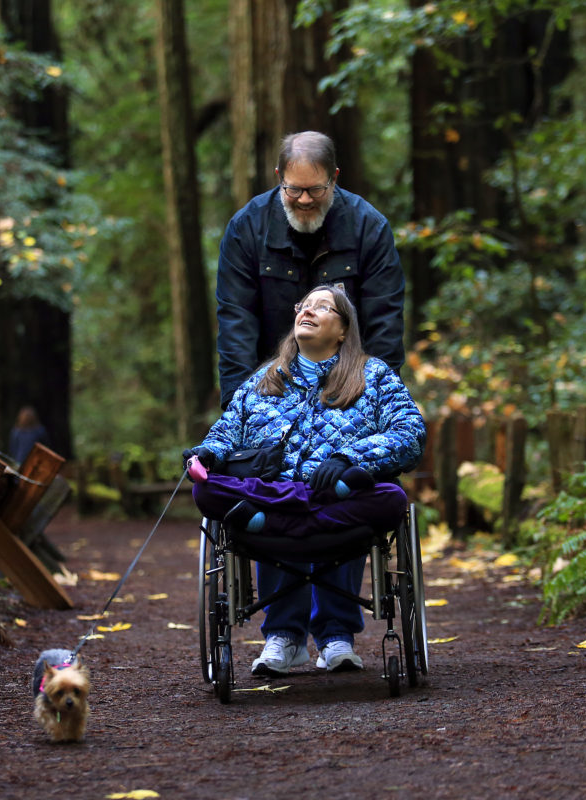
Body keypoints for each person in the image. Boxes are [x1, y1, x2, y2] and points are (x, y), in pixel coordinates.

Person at [184, 286, 425, 677]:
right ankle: (284, 639)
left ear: (344, 329)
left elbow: (410, 433)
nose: (308, 311)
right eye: (304, 305)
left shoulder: (373, 375)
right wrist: (208, 453)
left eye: (322, 307)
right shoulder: (266, 379)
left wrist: (350, 458)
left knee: (390, 497)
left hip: (329, 499)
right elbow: (227, 432)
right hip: (276, 494)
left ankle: (336, 639)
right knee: (206, 487)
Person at [215, 130, 406, 409]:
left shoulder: (369, 228)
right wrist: (240, 407)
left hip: (348, 391)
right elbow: (236, 323)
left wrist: (376, 403)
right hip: (270, 390)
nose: (305, 199)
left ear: (335, 177)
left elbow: (384, 326)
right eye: (293, 189)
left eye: (316, 189)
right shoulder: (246, 229)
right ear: (279, 176)